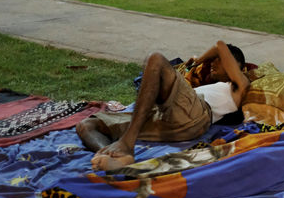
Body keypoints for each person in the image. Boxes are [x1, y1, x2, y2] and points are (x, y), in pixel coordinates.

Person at [76, 41, 250, 171]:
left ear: (239, 68)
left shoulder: (238, 85)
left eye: (221, 61)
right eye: (214, 60)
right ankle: (113, 157)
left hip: (196, 115)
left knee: (156, 58)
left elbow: (219, 45)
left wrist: (197, 61)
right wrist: (192, 67)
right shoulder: (204, 86)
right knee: (87, 125)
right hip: (168, 119)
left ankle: (127, 142)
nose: (213, 62)